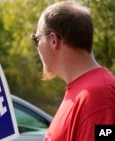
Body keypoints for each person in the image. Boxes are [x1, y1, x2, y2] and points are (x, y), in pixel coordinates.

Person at [31, 1, 115, 141]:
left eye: (36, 39)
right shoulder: (84, 91)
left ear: (53, 40)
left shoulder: (98, 95)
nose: (37, 47)